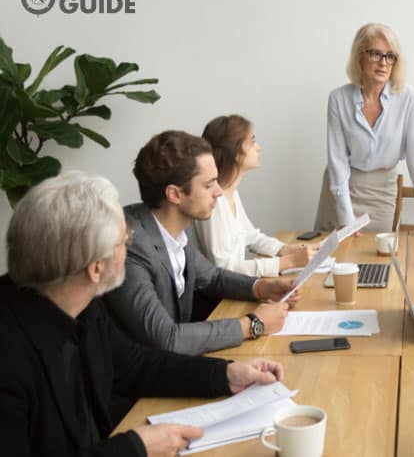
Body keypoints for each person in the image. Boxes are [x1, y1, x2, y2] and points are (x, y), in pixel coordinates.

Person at [0, 171, 286, 456]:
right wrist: (136, 448)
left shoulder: (79, 300)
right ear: (96, 268)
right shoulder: (10, 355)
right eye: (125, 240)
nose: (131, 245)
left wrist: (224, 374)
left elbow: (134, 365)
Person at [105, 131, 300, 356]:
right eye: (208, 185)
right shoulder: (131, 245)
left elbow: (212, 277)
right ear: (175, 195)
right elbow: (167, 338)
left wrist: (263, 288)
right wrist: (253, 324)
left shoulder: (171, 229)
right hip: (141, 382)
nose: (218, 192)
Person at [314, 22, 414, 237]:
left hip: (382, 191)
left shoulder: (408, 98)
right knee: (336, 260)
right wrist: (346, 218)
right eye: (375, 54)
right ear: (359, 57)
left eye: (390, 56)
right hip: (341, 190)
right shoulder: (338, 99)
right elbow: (337, 161)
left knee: (375, 261)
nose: (384, 63)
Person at [194, 114, 318, 277]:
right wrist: (287, 262)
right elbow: (224, 268)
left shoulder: (231, 192)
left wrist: (284, 249)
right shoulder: (213, 203)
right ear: (236, 154)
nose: (258, 147)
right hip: (220, 300)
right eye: (252, 142)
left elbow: (251, 236)